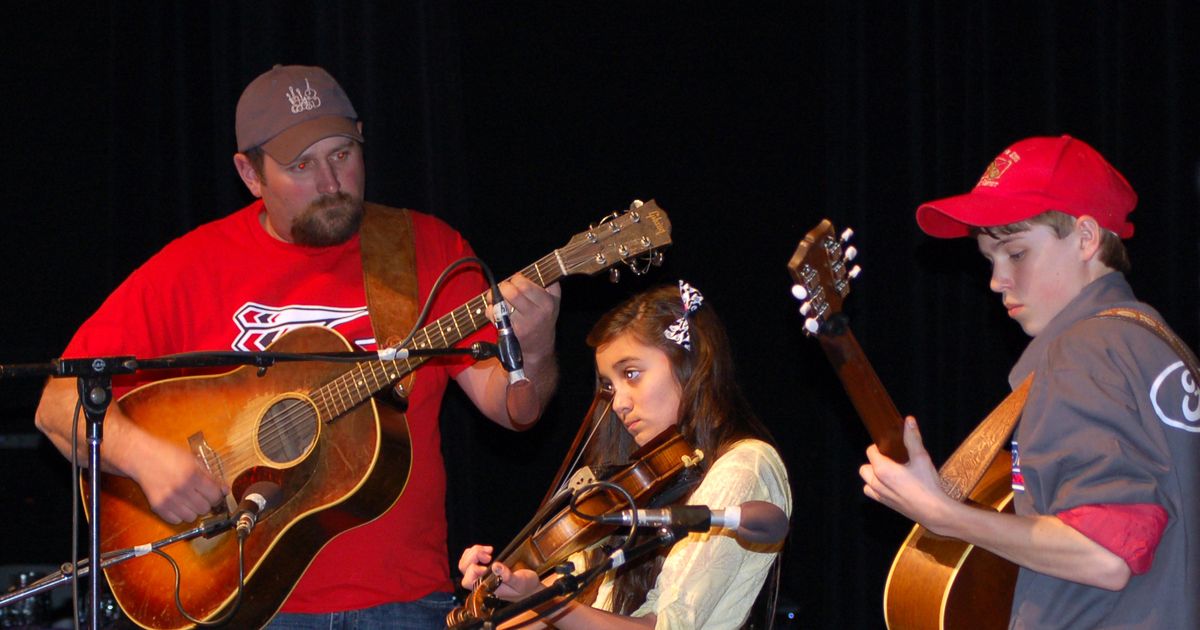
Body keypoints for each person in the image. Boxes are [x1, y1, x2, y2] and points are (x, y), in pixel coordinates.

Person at [33, 64, 561, 628]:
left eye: (343, 154)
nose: (332, 182)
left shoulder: (425, 249)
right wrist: (147, 460)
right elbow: (56, 404)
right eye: (301, 166)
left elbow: (514, 410)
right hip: (240, 606)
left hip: (405, 602)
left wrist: (535, 346)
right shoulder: (194, 266)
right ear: (250, 173)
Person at [860, 135, 1199, 628]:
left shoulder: (1081, 351)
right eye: (989, 260)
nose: (997, 280)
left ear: (1085, 238)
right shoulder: (1157, 344)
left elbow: (1106, 555)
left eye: (1016, 254)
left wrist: (944, 514)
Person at [458, 281, 792, 629]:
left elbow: (665, 626)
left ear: (689, 364)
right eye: (610, 386)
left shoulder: (744, 465)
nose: (618, 403)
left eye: (632, 374)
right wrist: (497, 597)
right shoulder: (636, 488)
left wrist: (547, 604)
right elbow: (574, 612)